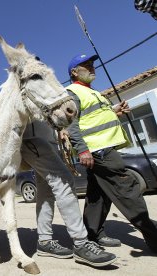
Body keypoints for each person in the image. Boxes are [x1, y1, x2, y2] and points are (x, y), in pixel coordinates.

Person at [66, 54, 157, 253]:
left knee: (98, 195)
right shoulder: (72, 92)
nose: (92, 68)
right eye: (86, 65)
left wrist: (114, 111)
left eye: (92, 64)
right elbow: (71, 125)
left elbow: (93, 118)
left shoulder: (92, 92)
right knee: (127, 189)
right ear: (74, 72)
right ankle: (153, 236)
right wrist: (82, 150)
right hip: (99, 150)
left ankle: (92, 234)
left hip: (102, 148)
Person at [20, 121, 116, 267]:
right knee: (64, 181)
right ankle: (81, 243)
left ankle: (44, 241)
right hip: (33, 138)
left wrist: (59, 128)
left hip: (46, 138)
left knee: (46, 192)